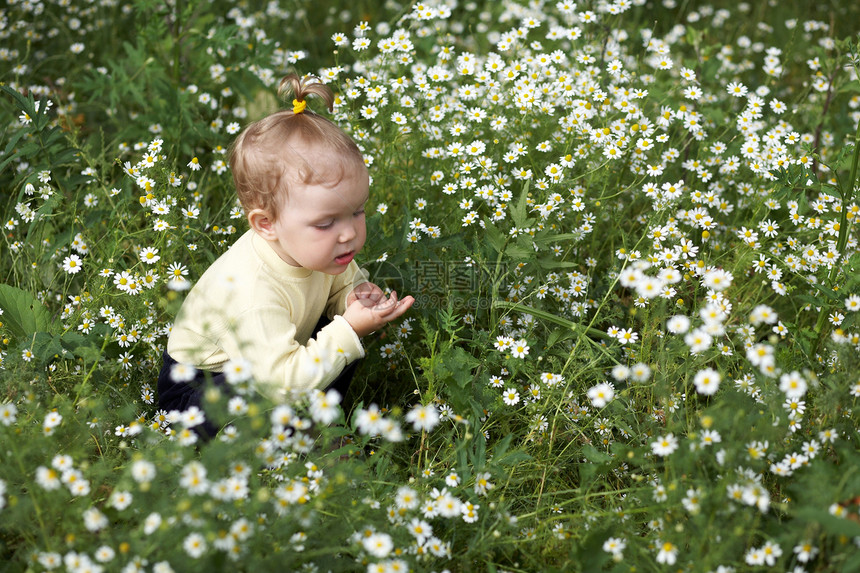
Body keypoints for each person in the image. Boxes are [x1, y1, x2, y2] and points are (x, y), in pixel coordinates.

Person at [157, 73, 414, 437]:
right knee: (338, 342)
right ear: (267, 224)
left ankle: (314, 426)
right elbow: (280, 385)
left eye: (357, 211)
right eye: (326, 223)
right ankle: (282, 450)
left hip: (271, 362)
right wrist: (348, 328)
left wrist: (354, 298)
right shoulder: (252, 291)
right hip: (200, 393)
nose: (349, 233)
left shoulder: (324, 252)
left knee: (343, 338)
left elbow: (342, 284)